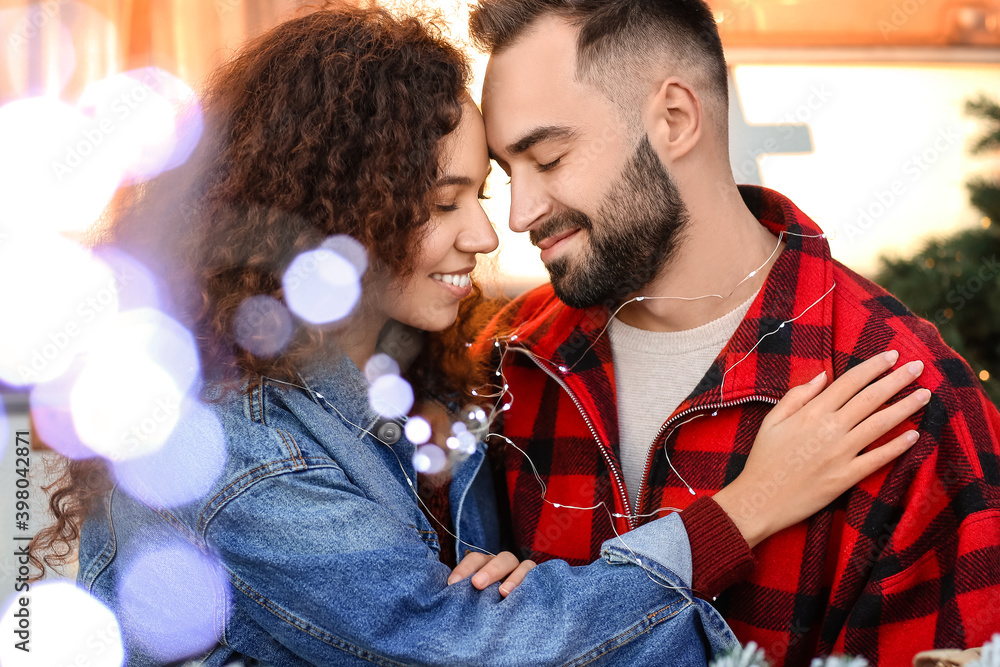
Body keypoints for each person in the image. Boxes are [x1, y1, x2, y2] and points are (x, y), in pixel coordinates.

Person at [30, 6, 927, 666]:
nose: (492, 232)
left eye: (486, 188)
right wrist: (743, 511)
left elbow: (483, 609)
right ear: (331, 213)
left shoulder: (439, 374)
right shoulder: (240, 449)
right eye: (440, 204)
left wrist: (509, 578)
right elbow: (465, 646)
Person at [469, 1, 1000, 665]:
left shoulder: (904, 398)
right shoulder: (504, 360)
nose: (519, 214)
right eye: (504, 173)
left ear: (674, 119)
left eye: (547, 158)